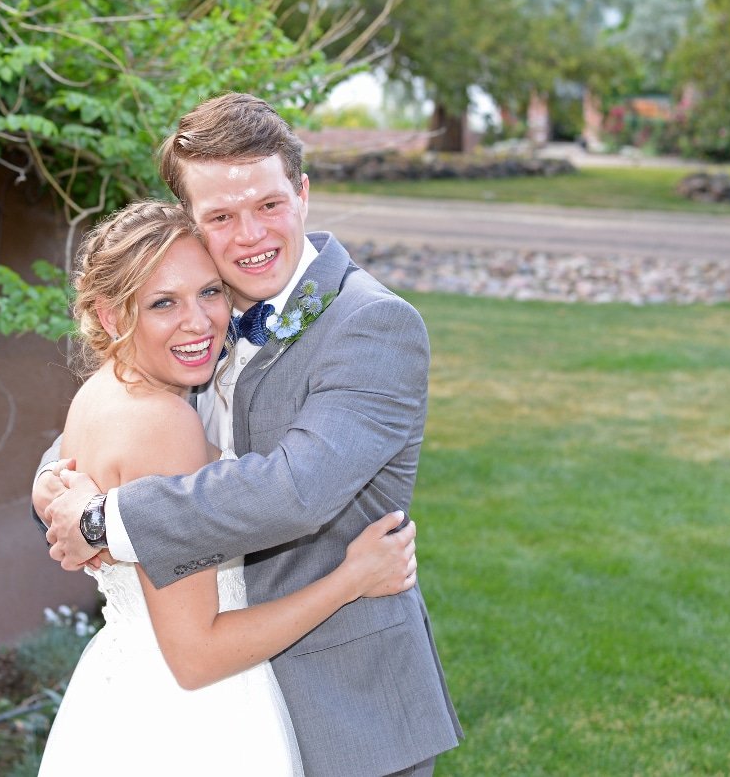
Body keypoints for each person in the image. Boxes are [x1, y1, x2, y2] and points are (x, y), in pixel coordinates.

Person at [35, 93, 463, 776]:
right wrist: (53, 488)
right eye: (222, 217)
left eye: (268, 204)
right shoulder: (200, 310)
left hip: (346, 707)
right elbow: (102, 438)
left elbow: (296, 490)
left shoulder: (374, 325)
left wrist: (102, 518)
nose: (251, 235)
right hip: (211, 704)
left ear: (302, 193)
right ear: (195, 225)